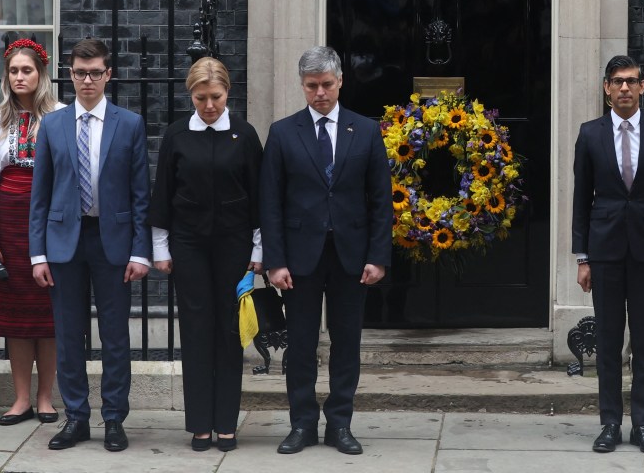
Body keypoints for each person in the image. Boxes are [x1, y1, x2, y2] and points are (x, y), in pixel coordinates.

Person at [260, 46, 392, 456]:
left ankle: (340, 423)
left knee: (346, 341)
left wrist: (378, 256)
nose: (320, 93)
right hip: (299, 258)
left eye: (327, 85)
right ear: (302, 86)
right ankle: (301, 423)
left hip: (351, 256)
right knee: (300, 343)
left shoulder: (366, 130)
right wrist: (275, 261)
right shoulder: (283, 133)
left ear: (340, 82)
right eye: (312, 86)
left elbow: (381, 201)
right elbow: (271, 203)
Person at [29, 38, 152, 451]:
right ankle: (76, 417)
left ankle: (114, 418)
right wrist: (37, 253)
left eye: (95, 72)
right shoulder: (52, 125)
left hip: (112, 242)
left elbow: (140, 195)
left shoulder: (130, 124)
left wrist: (140, 250)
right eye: (80, 72)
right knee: (68, 335)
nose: (87, 80)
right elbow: (39, 196)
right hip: (64, 242)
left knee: (116, 336)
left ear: (108, 74)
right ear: (70, 74)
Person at [148, 57, 263, 452]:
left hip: (234, 247)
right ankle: (200, 424)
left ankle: (227, 424)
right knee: (196, 332)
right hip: (189, 246)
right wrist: (160, 249)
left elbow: (259, 199)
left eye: (215, 96)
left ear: (227, 93)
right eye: (201, 98)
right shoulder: (177, 135)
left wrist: (259, 251)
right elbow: (163, 194)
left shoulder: (245, 136)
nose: (209, 105)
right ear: (190, 95)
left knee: (230, 332)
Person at [572, 55, 644, 454]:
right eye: (616, 81)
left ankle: (643, 424)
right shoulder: (589, 134)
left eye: (631, 81)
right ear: (606, 88)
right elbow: (581, 200)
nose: (623, 88)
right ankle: (609, 422)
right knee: (607, 339)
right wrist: (582, 258)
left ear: (642, 88)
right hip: (604, 251)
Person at [0, 38, 64, 426]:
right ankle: (20, 399)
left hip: (49, 225)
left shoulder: (61, 117)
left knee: (47, 315)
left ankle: (46, 398)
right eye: (13, 70)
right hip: (8, 228)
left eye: (26, 69)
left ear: (41, 73)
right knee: (15, 317)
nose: (19, 76)